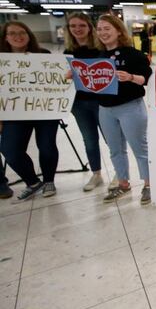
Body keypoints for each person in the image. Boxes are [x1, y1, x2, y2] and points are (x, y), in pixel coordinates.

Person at [94, 15, 153, 205]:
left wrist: (130, 77)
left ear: (118, 30)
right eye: (100, 29)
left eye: (107, 28)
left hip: (130, 107)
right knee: (115, 149)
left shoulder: (133, 54)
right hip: (105, 109)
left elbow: (146, 78)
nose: (103, 33)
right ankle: (123, 183)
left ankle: (149, 184)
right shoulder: (98, 56)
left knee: (140, 148)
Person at [0, 22, 60, 201]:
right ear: (5, 37)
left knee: (47, 147)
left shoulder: (43, 55)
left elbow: (55, 80)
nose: (18, 36)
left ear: (29, 34)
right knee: (9, 149)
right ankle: (32, 182)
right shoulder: (2, 60)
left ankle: (49, 181)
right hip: (14, 112)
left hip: (45, 110)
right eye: (12, 33)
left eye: (22, 32)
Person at [64, 13, 106, 191]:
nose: (77, 29)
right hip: (79, 103)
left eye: (81, 25)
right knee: (89, 139)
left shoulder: (101, 49)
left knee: (111, 139)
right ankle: (96, 173)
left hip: (101, 101)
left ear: (89, 27)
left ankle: (121, 175)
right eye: (73, 26)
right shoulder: (68, 53)